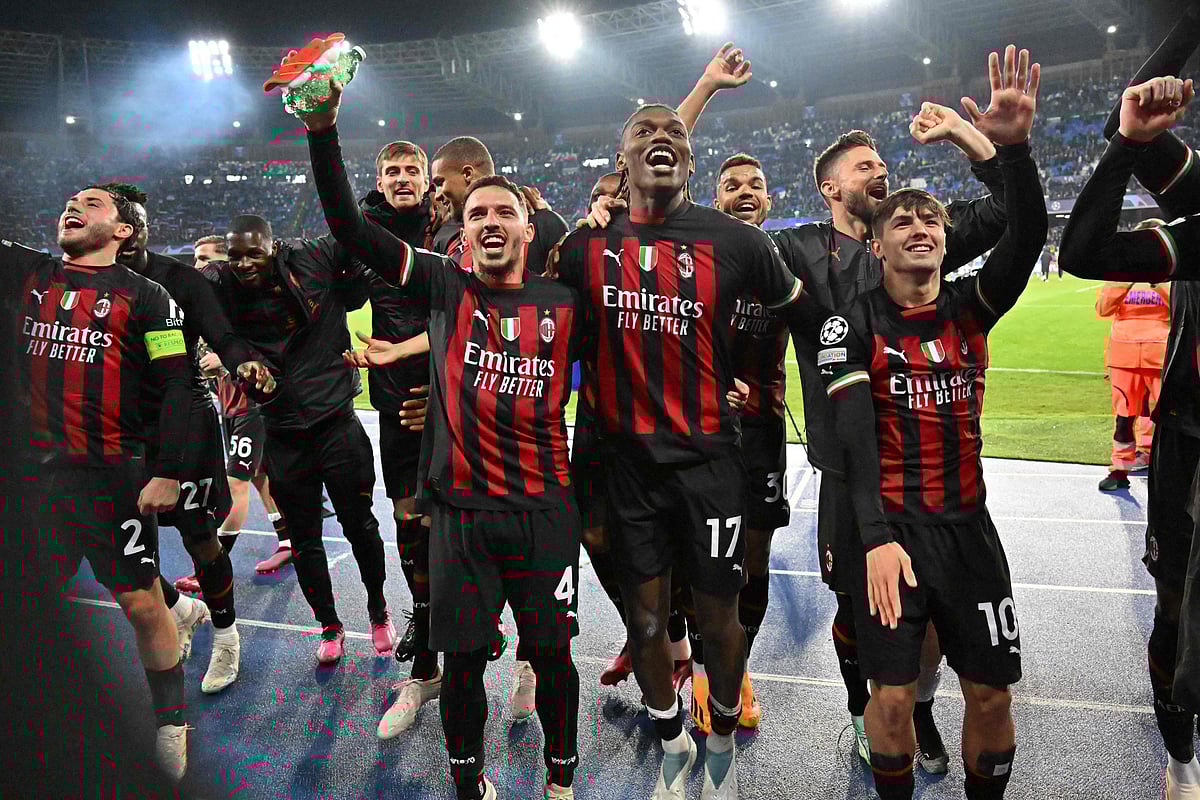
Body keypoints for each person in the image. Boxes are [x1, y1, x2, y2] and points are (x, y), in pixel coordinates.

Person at [302, 91, 587, 800]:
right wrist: (322, 130)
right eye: (475, 214)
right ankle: (468, 786)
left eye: (502, 211)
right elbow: (348, 225)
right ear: (459, 234)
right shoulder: (444, 285)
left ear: (528, 225)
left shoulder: (566, 301)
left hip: (546, 514)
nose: (489, 221)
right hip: (460, 516)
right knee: (460, 663)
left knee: (553, 658)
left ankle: (560, 781)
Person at [553, 101, 811, 800]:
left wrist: (777, 385)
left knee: (717, 616)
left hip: (709, 466)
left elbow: (808, 314)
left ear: (692, 162)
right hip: (625, 468)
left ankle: (720, 743)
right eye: (644, 132)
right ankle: (671, 739)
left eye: (676, 135)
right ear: (622, 161)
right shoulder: (582, 248)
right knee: (643, 617)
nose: (662, 140)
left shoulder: (738, 242)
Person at [818, 45, 1045, 800]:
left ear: (946, 242)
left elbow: (1030, 228)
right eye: (903, 220)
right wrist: (876, 540)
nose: (919, 226)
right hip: (893, 532)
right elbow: (849, 445)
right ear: (875, 243)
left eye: (932, 220)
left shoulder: (970, 307)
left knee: (992, 695)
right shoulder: (851, 325)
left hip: (971, 532)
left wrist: (1005, 146)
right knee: (888, 701)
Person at [7, 185, 206, 780]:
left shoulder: (149, 298)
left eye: (92, 203)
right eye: (71, 200)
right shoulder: (27, 273)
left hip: (110, 473)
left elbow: (179, 385)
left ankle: (171, 724)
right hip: (33, 476)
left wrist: (169, 471)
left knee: (139, 605)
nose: (74, 206)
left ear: (125, 231)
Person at [1056, 67, 1200, 799]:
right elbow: (1083, 253)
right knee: (1175, 604)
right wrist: (1126, 142)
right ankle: (1180, 757)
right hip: (1192, 445)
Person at [201, 204, 394, 663]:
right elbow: (205, 318)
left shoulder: (311, 260)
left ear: (273, 247)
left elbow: (354, 227)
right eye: (236, 256)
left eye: (254, 254)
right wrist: (241, 362)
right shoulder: (222, 285)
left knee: (362, 526)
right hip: (283, 431)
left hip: (336, 422)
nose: (244, 264)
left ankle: (378, 609)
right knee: (304, 538)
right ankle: (329, 624)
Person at [103, 186, 274, 695]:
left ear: (136, 227)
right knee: (121, 546)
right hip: (117, 431)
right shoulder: (88, 281)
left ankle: (226, 636)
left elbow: (223, 337)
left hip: (183, 423)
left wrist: (243, 360)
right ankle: (182, 610)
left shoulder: (179, 281)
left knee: (199, 537)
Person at [192, 235, 293, 575]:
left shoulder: (244, 306)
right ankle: (288, 541)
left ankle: (213, 567)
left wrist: (223, 360)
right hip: (230, 404)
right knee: (259, 476)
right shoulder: (208, 306)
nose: (197, 267)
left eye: (205, 259)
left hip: (252, 406)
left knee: (235, 481)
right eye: (195, 259)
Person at [1094, 228, 1170, 491]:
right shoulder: (1121, 275)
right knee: (1124, 416)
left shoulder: (1171, 274)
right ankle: (1119, 470)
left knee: (1165, 416)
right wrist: (1121, 281)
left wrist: (1159, 281)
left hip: (1160, 355)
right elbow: (1102, 309)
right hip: (1124, 356)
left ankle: (1163, 466)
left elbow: (1184, 307)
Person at [430, 135, 569, 276]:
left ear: (467, 174)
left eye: (440, 183)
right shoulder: (444, 235)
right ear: (464, 236)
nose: (437, 195)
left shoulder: (543, 223)